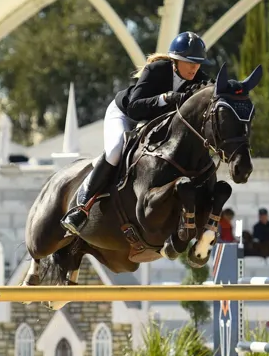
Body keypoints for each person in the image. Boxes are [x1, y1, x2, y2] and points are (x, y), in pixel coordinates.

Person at [60, 31, 211, 235]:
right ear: (175, 60)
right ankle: (82, 208)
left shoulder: (199, 80)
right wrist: (165, 98)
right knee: (115, 151)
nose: (194, 67)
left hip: (153, 123)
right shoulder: (157, 69)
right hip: (125, 114)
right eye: (189, 62)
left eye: (198, 62)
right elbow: (134, 108)